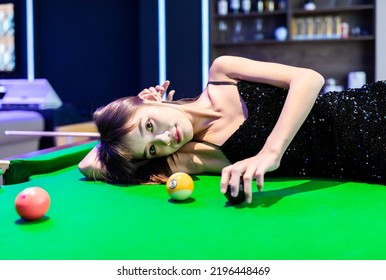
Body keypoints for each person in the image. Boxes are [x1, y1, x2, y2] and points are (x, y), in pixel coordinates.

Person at [78, 55, 385, 204]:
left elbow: (309, 79)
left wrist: (270, 152)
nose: (164, 139)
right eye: (152, 149)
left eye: (149, 125)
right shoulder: (198, 154)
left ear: (148, 98)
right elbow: (89, 164)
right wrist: (119, 139)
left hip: (370, 107)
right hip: (369, 159)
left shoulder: (222, 72)